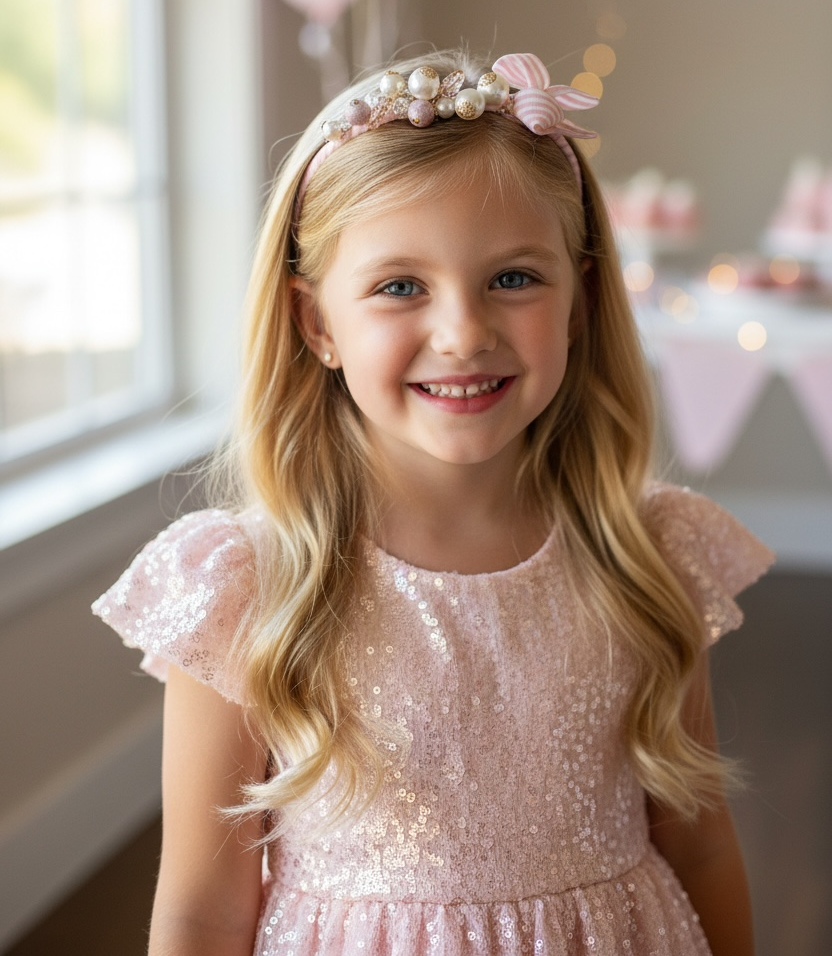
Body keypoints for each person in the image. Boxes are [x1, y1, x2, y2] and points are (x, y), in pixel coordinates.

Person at [93, 48, 773, 956]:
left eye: (515, 278)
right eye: (400, 287)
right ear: (316, 323)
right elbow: (201, 910)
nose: (463, 331)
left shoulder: (648, 557)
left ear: (580, 300)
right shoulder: (247, 587)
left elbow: (701, 846)